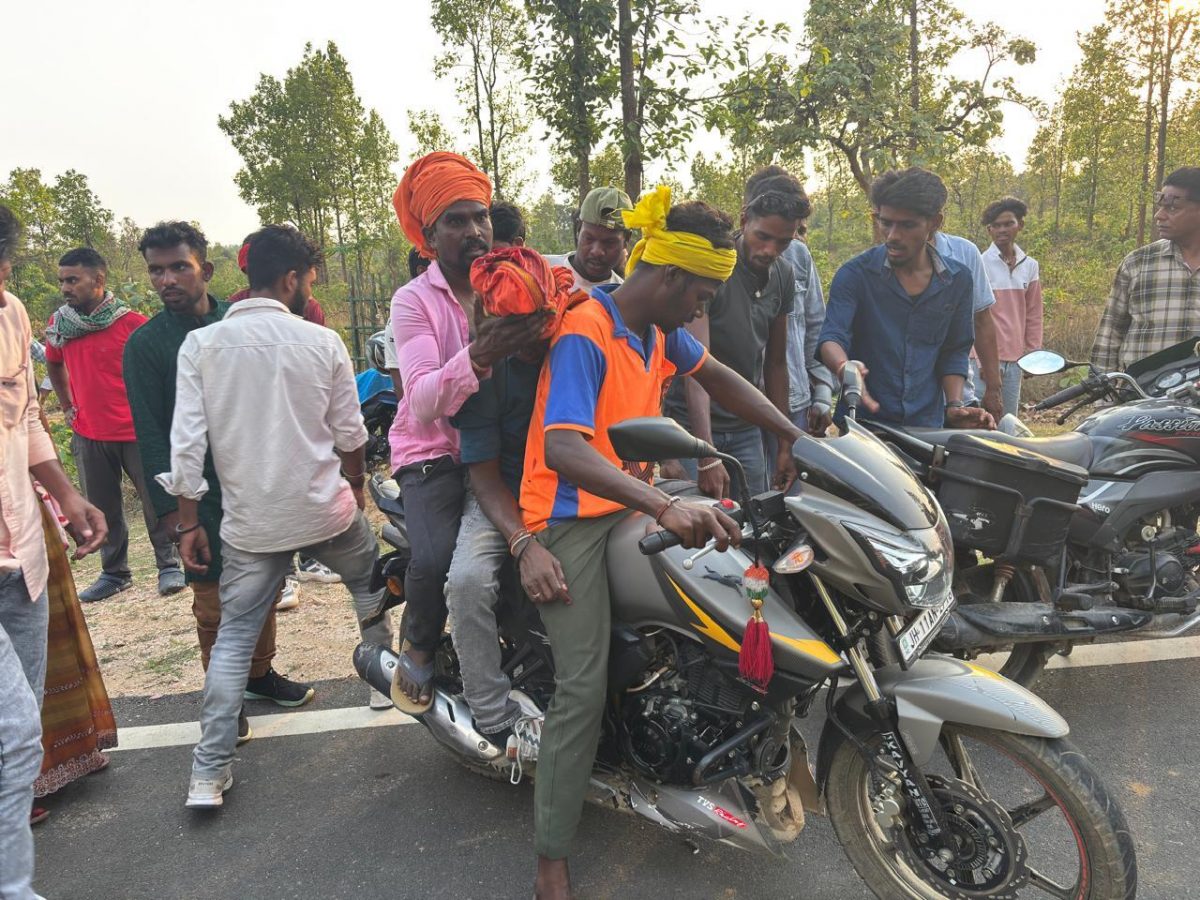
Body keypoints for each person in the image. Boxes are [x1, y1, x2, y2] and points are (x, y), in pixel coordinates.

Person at [522, 186, 804, 899]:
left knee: (739, 557)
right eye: (702, 297)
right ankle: (551, 861)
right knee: (581, 688)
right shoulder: (588, 330)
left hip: (631, 500)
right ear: (672, 276)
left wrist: (791, 434)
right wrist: (662, 503)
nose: (701, 311)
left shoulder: (656, 330)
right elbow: (563, 449)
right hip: (570, 518)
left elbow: (720, 377)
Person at [158, 225, 389, 808]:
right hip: (325, 510)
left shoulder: (201, 346)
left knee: (234, 639)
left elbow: (186, 446)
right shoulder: (322, 341)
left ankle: (208, 773)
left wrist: (189, 522)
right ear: (291, 279)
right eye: (309, 277)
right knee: (369, 590)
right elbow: (351, 433)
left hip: (251, 525)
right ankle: (384, 689)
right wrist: (354, 484)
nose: (309, 286)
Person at [124, 221, 314, 724]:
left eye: (179, 267)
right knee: (212, 601)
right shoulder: (146, 344)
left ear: (205, 269)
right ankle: (225, 699)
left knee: (265, 586)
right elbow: (151, 432)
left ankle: (259, 674)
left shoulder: (240, 322)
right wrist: (171, 512)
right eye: (156, 271)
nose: (167, 280)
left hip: (255, 482)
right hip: (197, 495)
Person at [388, 152, 545, 713]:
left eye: (479, 216)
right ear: (430, 237)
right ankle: (419, 642)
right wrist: (479, 355)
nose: (474, 230)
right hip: (435, 451)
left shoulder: (514, 283)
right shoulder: (413, 301)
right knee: (437, 561)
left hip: (506, 453)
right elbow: (423, 401)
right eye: (455, 221)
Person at [0, 202, 107, 900]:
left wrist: (66, 496)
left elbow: (29, 416)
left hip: (21, 560)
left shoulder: (10, 315)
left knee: (19, 730)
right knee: (12, 735)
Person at [444, 248, 575, 754]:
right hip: (504, 494)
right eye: (511, 324)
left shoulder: (577, 347)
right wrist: (522, 543)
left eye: (533, 321)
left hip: (570, 491)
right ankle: (492, 713)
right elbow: (483, 475)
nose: (526, 335)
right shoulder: (487, 373)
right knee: (468, 581)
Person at [45, 248, 184, 602]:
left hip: (136, 431)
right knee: (101, 506)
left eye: (73, 280)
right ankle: (114, 573)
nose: (65, 288)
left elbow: (161, 374)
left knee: (156, 501)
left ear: (99, 279)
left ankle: (168, 566)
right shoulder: (60, 326)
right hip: (89, 433)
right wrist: (67, 405)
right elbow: (54, 364)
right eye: (62, 281)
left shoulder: (133, 323)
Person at [663, 168, 806, 500]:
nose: (770, 250)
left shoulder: (783, 276)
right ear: (744, 220)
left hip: (745, 427)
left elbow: (775, 365)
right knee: (701, 518)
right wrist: (706, 453)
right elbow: (697, 366)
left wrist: (785, 444)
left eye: (783, 242)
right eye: (763, 236)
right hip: (692, 426)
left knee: (754, 518)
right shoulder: (717, 268)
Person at [818, 167, 993, 430]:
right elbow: (832, 335)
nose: (893, 236)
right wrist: (844, 367)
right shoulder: (855, 275)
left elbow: (954, 349)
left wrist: (955, 405)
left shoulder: (958, 280)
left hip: (927, 425)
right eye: (886, 223)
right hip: (863, 427)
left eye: (907, 225)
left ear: (934, 223)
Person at [230, 237, 340, 599]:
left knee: (304, 491)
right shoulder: (233, 310)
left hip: (299, 415)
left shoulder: (311, 309)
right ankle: (283, 575)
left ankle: (311, 559)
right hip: (257, 420)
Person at [32, 479, 117, 818]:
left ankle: (69, 753)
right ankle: (14, 782)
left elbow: (33, 446)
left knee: (48, 635)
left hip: (23, 513)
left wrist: (65, 499)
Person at [1092, 166, 1200, 371]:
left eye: (1172, 208)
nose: (1159, 216)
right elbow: (1109, 336)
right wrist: (1103, 389)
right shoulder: (1138, 263)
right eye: (1160, 207)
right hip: (1140, 389)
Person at [978, 197, 1044, 416]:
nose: (1002, 230)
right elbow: (973, 316)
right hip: (984, 358)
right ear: (989, 230)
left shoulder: (1030, 265)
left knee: (1008, 420)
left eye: (1008, 224)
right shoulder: (980, 263)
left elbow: (1033, 313)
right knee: (981, 418)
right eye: (996, 225)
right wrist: (979, 359)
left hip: (1015, 359)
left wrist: (1032, 353)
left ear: (1020, 225)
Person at [930, 228, 1002, 422]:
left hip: (960, 399)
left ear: (935, 221)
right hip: (905, 405)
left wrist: (993, 388)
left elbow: (981, 321)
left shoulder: (964, 253)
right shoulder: (870, 266)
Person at [545, 186, 633, 291]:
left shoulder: (623, 296)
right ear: (578, 230)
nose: (597, 251)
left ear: (626, 240)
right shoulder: (540, 270)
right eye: (589, 238)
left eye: (609, 242)